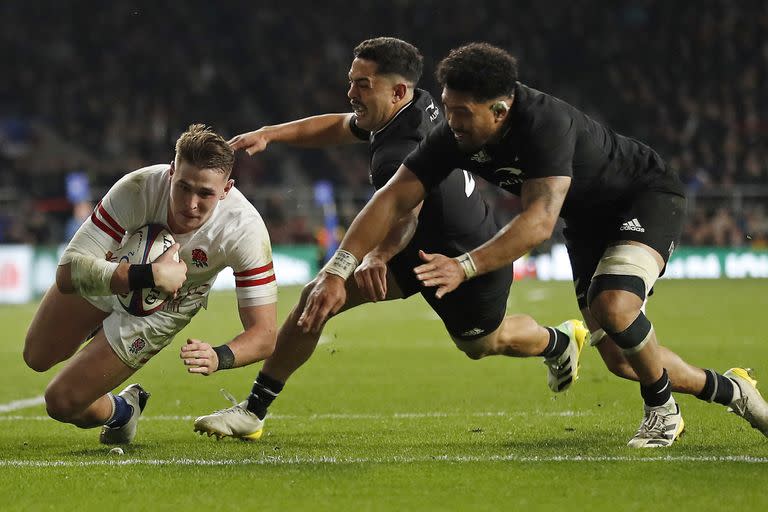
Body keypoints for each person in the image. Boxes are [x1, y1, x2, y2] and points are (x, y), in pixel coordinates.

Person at [297, 43, 768, 448]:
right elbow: (391, 199)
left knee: (614, 304)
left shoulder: (546, 126)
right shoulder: (453, 135)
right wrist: (340, 266)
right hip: (585, 224)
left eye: (463, 113)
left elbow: (538, 222)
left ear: (499, 110)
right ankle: (733, 392)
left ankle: (662, 413)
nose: (451, 122)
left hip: (644, 196)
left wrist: (465, 265)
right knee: (623, 361)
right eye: (448, 107)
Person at [193, 37, 587, 440]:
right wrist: (272, 133)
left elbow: (405, 217)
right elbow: (339, 125)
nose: (351, 93)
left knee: (485, 343)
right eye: (352, 82)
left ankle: (557, 341)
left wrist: (376, 256)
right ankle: (254, 411)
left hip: (465, 256)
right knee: (318, 295)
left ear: (397, 91)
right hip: (412, 251)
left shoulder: (400, 149)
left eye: (363, 85)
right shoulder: (414, 105)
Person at [23, 124, 278, 444]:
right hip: (115, 268)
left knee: (61, 403)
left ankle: (123, 410)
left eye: (206, 193)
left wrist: (219, 356)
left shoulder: (245, 231)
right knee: (36, 355)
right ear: (171, 172)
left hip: (167, 306)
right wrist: (147, 275)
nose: (191, 203)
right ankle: (99, 330)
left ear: (226, 189)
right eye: (184, 187)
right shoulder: (139, 187)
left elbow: (265, 334)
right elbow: (67, 272)